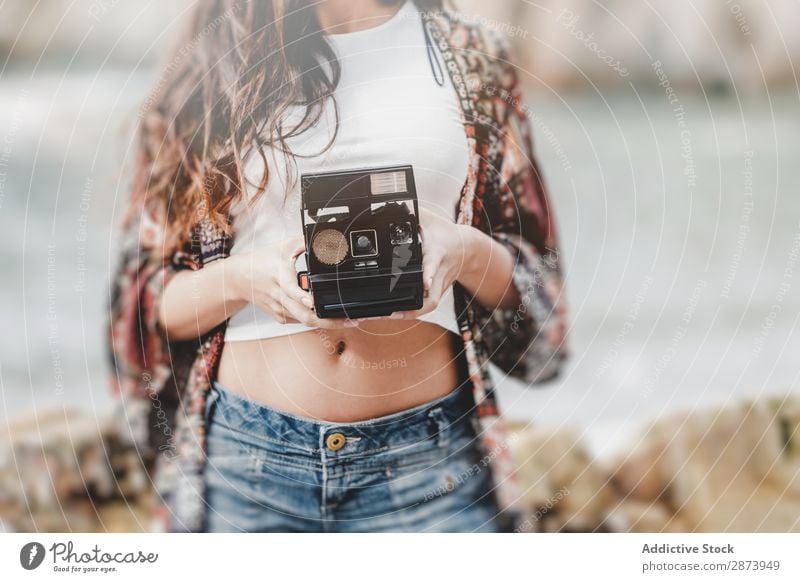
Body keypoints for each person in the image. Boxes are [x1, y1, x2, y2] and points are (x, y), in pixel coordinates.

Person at [108, 0, 568, 533]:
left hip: (429, 460)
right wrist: (241, 278)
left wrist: (463, 250)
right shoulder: (217, 55)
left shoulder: (473, 56)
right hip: (246, 461)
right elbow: (149, 304)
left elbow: (535, 283)